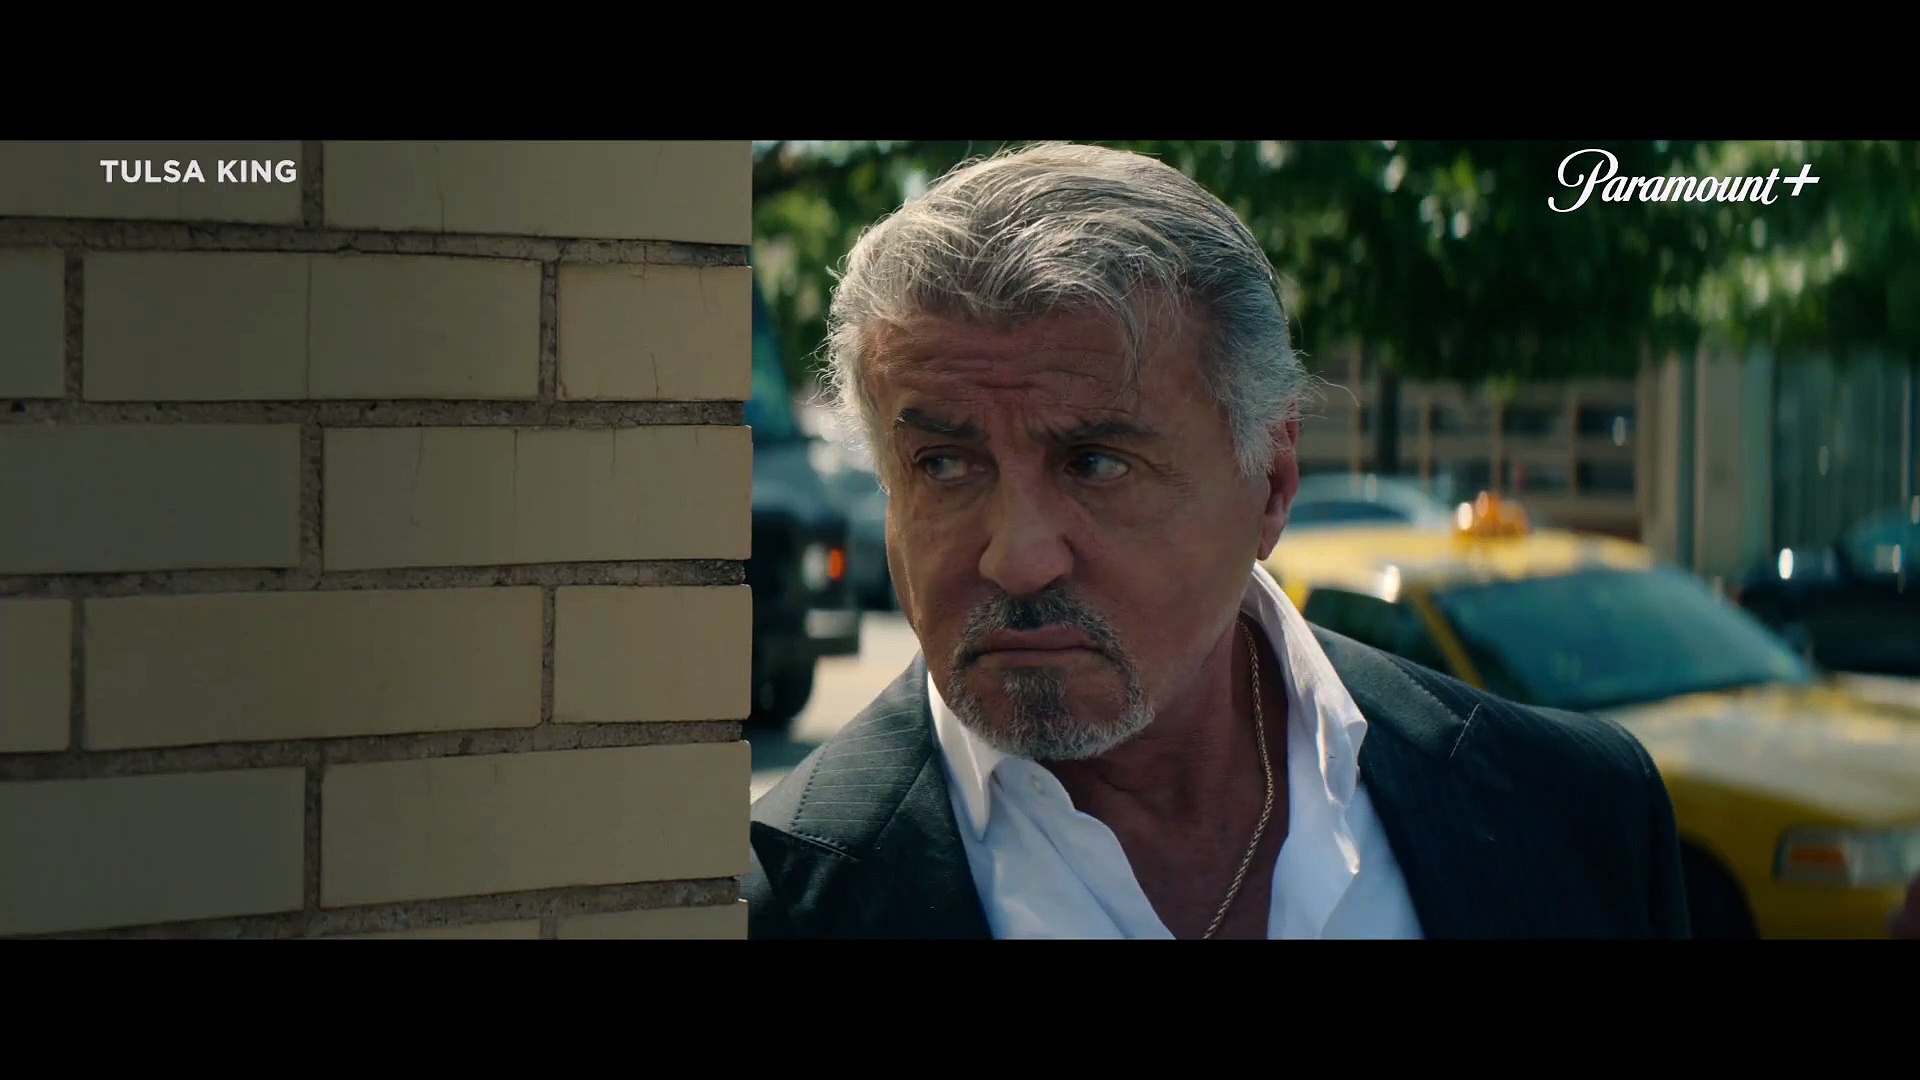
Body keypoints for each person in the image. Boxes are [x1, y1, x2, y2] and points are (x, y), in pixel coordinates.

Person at [742, 141, 1693, 939]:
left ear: (1271, 482)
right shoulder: (763, 904)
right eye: (945, 465)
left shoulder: (1575, 812)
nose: (1018, 559)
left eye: (1095, 463)